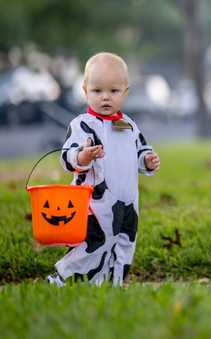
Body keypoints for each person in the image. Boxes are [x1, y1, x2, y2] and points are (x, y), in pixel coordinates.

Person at [46, 52, 160, 287]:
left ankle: (114, 283)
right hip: (95, 202)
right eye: (98, 91)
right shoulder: (82, 125)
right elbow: (67, 157)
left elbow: (140, 150)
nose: (105, 97)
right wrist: (83, 156)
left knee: (125, 241)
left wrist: (147, 161)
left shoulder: (128, 125)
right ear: (85, 90)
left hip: (128, 200)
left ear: (125, 92)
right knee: (94, 243)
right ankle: (64, 278)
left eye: (114, 91)